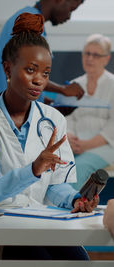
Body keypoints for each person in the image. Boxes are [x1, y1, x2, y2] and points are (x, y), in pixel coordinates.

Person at [0, 13, 98, 260]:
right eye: (30, 70)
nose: (39, 80)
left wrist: (75, 200)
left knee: (80, 261)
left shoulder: (53, 120)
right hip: (1, 230)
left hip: (41, 222)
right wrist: (32, 170)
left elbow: (56, 186)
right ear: (7, 68)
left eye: (46, 73)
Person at [0, 0, 85, 104]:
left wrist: (44, 101)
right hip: (7, 110)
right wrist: (63, 89)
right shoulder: (28, 22)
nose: (69, 17)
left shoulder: (28, 18)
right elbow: (28, 73)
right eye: (71, 9)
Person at [66, 33, 114, 191]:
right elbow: (68, 118)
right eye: (87, 53)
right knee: (59, 164)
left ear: (106, 59)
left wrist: (87, 145)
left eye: (95, 55)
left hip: (107, 145)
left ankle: (73, 210)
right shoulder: (74, 84)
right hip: (75, 144)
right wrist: (70, 139)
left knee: (79, 167)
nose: (89, 59)